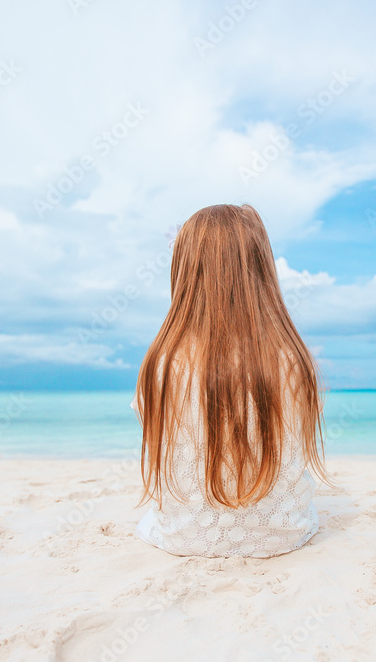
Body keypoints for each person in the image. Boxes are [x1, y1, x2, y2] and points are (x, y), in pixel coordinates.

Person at [131, 203, 328, 558]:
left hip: (184, 537)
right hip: (284, 535)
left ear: (185, 271)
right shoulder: (293, 359)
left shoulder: (162, 362)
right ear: (262, 269)